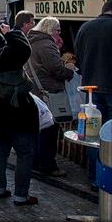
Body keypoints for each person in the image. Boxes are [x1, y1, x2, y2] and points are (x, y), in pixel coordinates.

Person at [0, 11, 40, 206]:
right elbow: (24, 49)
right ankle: (21, 195)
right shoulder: (6, 58)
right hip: (18, 115)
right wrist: (11, 32)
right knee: (24, 153)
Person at [27, 16, 74, 178]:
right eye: (57, 30)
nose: (59, 33)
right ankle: (48, 166)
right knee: (49, 130)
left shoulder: (30, 41)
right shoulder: (46, 44)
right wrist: (70, 71)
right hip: (47, 92)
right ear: (49, 30)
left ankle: (34, 161)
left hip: (35, 91)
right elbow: (57, 69)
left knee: (37, 129)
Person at [75, 0, 112, 189]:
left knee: (92, 135)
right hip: (111, 88)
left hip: (90, 90)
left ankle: (94, 176)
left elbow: (78, 56)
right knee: (111, 135)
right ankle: (109, 176)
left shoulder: (85, 28)